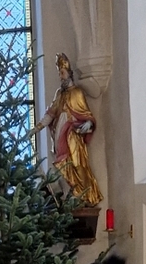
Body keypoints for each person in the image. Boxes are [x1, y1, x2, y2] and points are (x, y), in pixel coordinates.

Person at [33, 53, 102, 206]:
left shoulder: (77, 92)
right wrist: (36, 129)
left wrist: (88, 124)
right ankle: (70, 194)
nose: (60, 76)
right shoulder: (59, 94)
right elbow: (51, 114)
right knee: (63, 165)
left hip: (74, 135)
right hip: (60, 134)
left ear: (69, 73)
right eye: (59, 73)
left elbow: (86, 113)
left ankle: (84, 195)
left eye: (62, 73)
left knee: (77, 164)